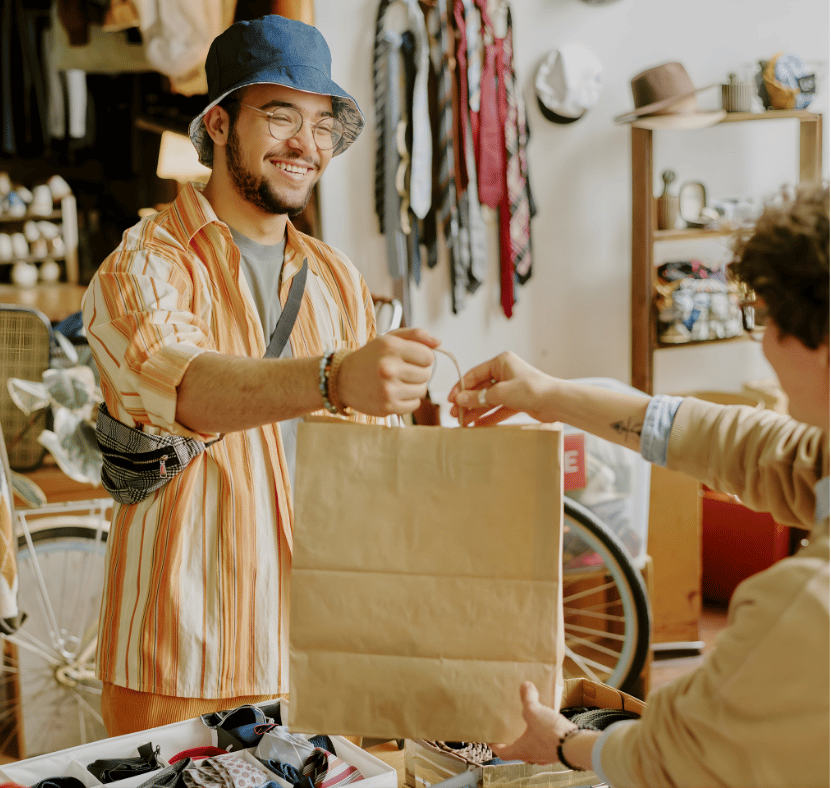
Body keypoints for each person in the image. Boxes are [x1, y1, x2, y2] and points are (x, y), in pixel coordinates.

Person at [82, 14, 439, 735]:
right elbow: (188, 390)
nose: (306, 145)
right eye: (280, 117)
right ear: (217, 122)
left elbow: (372, 459)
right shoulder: (146, 263)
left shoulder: (336, 277)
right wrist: (335, 377)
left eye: (322, 125)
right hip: (183, 655)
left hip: (318, 651)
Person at [449, 183, 829, 788]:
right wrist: (548, 396)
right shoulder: (819, 460)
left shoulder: (804, 607)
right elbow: (744, 446)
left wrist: (566, 741)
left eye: (765, 319)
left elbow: (679, 753)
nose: (761, 342)